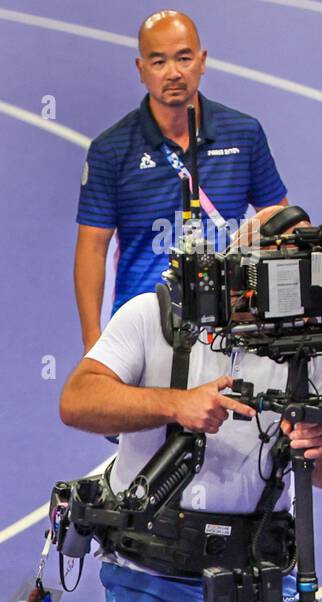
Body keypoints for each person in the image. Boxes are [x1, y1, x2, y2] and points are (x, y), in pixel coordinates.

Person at [58, 205, 322, 602]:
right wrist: (175, 405)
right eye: (276, 267)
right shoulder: (152, 315)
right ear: (240, 263)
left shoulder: (304, 339)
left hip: (257, 570)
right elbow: (77, 400)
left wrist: (318, 447)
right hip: (151, 572)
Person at [74, 9, 288, 354]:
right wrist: (92, 341)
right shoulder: (110, 150)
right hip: (141, 326)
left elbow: (280, 221)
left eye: (184, 58)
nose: (173, 73)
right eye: (158, 62)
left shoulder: (245, 134)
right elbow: (92, 247)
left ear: (202, 61)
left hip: (229, 323)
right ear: (141, 70)